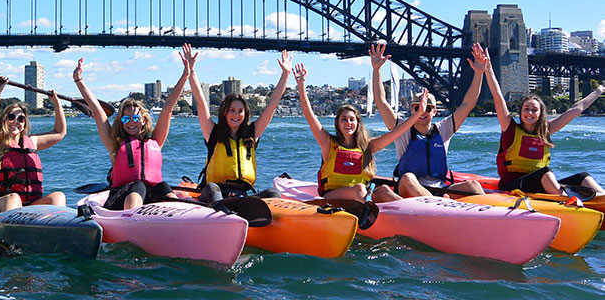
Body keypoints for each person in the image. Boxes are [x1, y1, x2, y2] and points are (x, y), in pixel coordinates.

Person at [294, 62, 429, 202]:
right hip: (333, 197)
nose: (348, 123)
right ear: (337, 123)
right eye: (344, 119)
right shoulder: (328, 143)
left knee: (383, 190)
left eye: (352, 119)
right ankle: (370, 216)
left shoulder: (367, 146)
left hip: (360, 197)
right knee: (359, 189)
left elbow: (395, 133)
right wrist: (301, 85)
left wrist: (417, 115)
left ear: (358, 123)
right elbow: (310, 115)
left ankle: (415, 212)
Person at [367, 42, 486, 201]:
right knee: (409, 178)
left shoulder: (444, 129)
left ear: (435, 111)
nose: (422, 112)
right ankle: (438, 206)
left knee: (473, 186)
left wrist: (479, 73)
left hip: (439, 189)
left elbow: (468, 104)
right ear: (412, 110)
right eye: (418, 108)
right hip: (408, 188)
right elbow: (381, 101)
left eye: (427, 109)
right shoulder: (402, 129)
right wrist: (377, 70)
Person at [73, 55, 187, 210]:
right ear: (121, 122)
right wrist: (79, 80)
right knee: (138, 185)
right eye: (126, 119)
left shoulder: (155, 141)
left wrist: (186, 73)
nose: (131, 122)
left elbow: (168, 108)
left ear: (144, 120)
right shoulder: (115, 142)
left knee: (163, 187)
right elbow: (97, 110)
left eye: (135, 118)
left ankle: (178, 216)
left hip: (150, 199)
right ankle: (132, 219)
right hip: (120, 200)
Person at [484, 51, 605, 196]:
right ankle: (567, 203)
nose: (529, 113)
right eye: (526, 109)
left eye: (534, 110)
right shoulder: (509, 129)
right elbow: (498, 97)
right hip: (512, 185)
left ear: (540, 114)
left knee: (583, 177)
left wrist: (598, 91)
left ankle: (601, 200)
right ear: (520, 111)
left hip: (539, 183)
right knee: (546, 173)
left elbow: (574, 110)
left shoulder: (545, 130)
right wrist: (488, 69)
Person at [181, 43, 289, 202]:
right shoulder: (213, 133)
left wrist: (286, 74)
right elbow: (200, 100)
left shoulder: (252, 133)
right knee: (212, 188)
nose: (236, 115)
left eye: (240, 111)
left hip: (240, 194)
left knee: (273, 193)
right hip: (214, 193)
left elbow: (272, 104)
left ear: (245, 114)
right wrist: (191, 71)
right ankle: (222, 215)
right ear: (225, 112)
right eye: (232, 110)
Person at [0, 78, 67, 212]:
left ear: (24, 125)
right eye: (11, 117)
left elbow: (60, 132)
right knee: (13, 199)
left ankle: (55, 230)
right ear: (4, 120)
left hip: (29, 207)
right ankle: (12, 231)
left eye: (21, 119)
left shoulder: (32, 142)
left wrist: (57, 103)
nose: (16, 121)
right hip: (0, 204)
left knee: (58, 197)